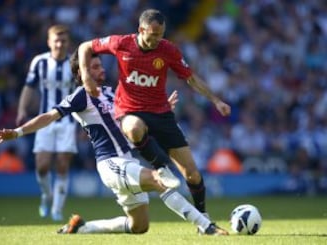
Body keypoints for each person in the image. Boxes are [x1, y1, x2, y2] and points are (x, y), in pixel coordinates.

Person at [0, 50, 228, 236]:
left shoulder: (113, 93)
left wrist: (162, 107)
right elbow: (49, 116)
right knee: (160, 181)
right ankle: (206, 226)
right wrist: (18, 131)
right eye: (94, 67)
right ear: (82, 73)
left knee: (139, 226)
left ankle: (81, 228)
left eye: (100, 64)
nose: (101, 68)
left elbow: (135, 119)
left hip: (128, 161)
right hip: (110, 164)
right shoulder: (80, 96)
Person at [77, 8, 231, 214]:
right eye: (154, 34)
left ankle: (203, 215)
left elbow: (190, 77)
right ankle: (161, 166)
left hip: (161, 113)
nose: (158, 39)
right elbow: (84, 46)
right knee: (133, 127)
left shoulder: (168, 50)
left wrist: (216, 100)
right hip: (129, 111)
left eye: (161, 34)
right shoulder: (121, 43)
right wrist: (86, 76)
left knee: (192, 174)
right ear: (141, 29)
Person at [15, 24, 77, 221]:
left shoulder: (75, 63)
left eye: (63, 40)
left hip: (68, 121)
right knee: (42, 166)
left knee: (62, 165)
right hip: (44, 120)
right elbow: (29, 87)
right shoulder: (40, 62)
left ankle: (57, 210)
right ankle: (46, 195)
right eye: (56, 40)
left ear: (68, 42)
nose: (59, 44)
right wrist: (22, 110)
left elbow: (83, 92)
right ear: (49, 42)